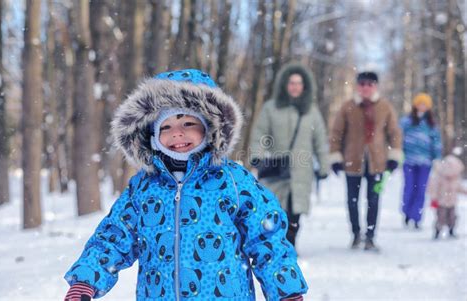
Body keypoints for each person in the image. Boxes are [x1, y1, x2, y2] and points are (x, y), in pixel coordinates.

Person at [63, 69, 307, 301]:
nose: (177, 134)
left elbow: (267, 239)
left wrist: (286, 290)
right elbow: (113, 237)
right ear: (153, 137)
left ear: (209, 128)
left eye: (188, 124)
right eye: (166, 127)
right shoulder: (143, 189)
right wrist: (86, 280)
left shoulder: (233, 182)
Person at [249, 63, 329, 247]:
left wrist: (324, 165)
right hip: (277, 169)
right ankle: (277, 243)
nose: (295, 86)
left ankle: (289, 244)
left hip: (302, 171)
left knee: (295, 211)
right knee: (275, 209)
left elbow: (320, 140)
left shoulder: (311, 111)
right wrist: (257, 155)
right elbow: (260, 133)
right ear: (285, 84)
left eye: (299, 83)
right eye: (291, 83)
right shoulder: (271, 108)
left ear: (304, 86)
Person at [329, 71, 402, 251]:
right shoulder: (348, 107)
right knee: (352, 201)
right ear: (357, 86)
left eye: (370, 84)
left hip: (377, 163)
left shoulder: (385, 107)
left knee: (374, 200)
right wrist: (335, 157)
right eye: (362, 84)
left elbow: (394, 133)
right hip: (352, 161)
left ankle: (370, 236)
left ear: (375, 86)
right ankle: (355, 234)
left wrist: (394, 157)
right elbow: (336, 133)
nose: (366, 88)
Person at [400, 93, 442, 229]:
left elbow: (436, 142)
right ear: (415, 105)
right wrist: (398, 153)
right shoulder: (406, 122)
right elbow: (398, 137)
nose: (422, 107)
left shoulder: (431, 124)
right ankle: (407, 213)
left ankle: (417, 217)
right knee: (409, 187)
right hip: (409, 161)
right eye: (420, 103)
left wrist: (437, 158)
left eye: (425, 104)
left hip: (425, 163)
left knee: (421, 190)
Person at [428, 152, 467, 239]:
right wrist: (434, 199)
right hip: (441, 203)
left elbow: (460, 188)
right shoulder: (439, 178)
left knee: (452, 217)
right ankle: (437, 231)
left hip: (452, 203)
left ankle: (451, 230)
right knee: (440, 218)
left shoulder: (456, 179)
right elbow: (434, 189)